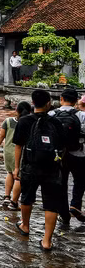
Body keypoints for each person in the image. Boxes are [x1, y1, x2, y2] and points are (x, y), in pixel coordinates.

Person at [13, 89, 66, 251]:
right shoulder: (55, 122)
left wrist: (16, 167)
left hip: (30, 166)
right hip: (52, 168)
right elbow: (62, 146)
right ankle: (47, 241)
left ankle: (25, 226)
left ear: (33, 103)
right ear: (49, 103)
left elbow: (18, 146)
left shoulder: (24, 121)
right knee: (51, 203)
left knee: (27, 197)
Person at [50, 88, 85, 225]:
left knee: (61, 183)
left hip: (58, 155)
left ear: (61, 99)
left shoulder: (52, 114)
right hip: (79, 152)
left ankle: (64, 213)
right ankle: (75, 205)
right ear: (76, 101)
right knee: (80, 180)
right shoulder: (81, 115)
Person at [0, 101, 33, 211]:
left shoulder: (8, 121)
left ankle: (7, 196)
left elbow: (1, 135)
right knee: (19, 176)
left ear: (16, 111)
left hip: (8, 152)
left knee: (10, 172)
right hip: (21, 152)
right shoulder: (29, 123)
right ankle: (14, 202)